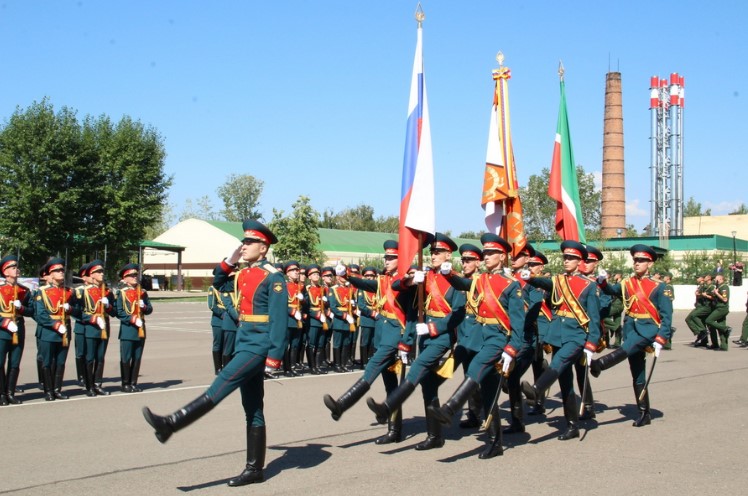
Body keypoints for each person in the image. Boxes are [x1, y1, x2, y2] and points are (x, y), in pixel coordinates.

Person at [143, 219, 288, 487]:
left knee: (219, 386)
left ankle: (171, 423)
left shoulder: (274, 277)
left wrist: (274, 357)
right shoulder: (243, 273)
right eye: (243, 242)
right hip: (244, 339)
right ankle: (254, 469)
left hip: (258, 345)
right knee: (253, 408)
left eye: (249, 243)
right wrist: (229, 261)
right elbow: (218, 281)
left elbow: (280, 320)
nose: (243, 246)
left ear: (263, 248)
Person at [365, 233, 466, 451]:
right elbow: (396, 287)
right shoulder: (426, 275)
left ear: (449, 254)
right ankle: (435, 436)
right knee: (428, 385)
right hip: (425, 337)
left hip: (442, 336)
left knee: (419, 367)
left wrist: (433, 327)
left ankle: (387, 407)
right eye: (432, 252)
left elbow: (458, 314)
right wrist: (411, 280)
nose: (434, 255)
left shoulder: (455, 281)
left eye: (438, 252)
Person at [428, 234, 525, 459]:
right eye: (485, 253)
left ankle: (449, 409)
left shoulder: (512, 285)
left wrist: (512, 349)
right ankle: (495, 442)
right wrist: (447, 273)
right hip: (481, 337)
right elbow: (464, 283)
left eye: (491, 253)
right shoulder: (481, 280)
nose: (487, 256)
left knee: (475, 369)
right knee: (490, 392)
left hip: (498, 338)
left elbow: (518, 324)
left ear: (502, 256)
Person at [322, 240, 417, 445]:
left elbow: (411, 315)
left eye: (392, 257)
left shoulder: (407, 283)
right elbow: (367, 284)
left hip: (395, 334)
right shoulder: (384, 280)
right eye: (386, 257)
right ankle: (395, 430)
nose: (387, 260)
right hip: (382, 332)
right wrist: (347, 276)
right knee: (390, 383)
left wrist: (407, 342)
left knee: (373, 366)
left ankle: (341, 405)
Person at [520, 241, 601, 440]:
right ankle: (572, 425)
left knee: (558, 363)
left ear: (580, 261)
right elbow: (543, 283)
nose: (567, 261)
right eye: (565, 257)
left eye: (571, 258)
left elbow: (595, 318)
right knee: (565, 383)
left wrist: (592, 343)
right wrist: (529, 277)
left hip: (576, 335)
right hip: (558, 335)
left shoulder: (589, 286)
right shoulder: (558, 280)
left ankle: (537, 389)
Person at [590, 244, 673, 427]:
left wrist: (661, 338)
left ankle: (599, 364)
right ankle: (644, 412)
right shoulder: (628, 282)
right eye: (635, 260)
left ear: (650, 264)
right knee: (637, 373)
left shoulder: (660, 287)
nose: (637, 263)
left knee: (627, 348)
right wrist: (603, 282)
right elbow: (612, 291)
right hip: (631, 327)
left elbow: (667, 316)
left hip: (648, 329)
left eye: (641, 260)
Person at [503, 243, 544, 434]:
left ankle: (519, 419)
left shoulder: (532, 282)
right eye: (513, 255)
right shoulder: (506, 278)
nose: (514, 258)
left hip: (525, 335)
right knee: (506, 377)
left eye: (519, 255)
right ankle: (517, 418)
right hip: (506, 334)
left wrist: (518, 322)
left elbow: (535, 307)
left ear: (527, 259)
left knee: (512, 375)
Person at [454, 243, 486, 428]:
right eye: (463, 260)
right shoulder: (459, 282)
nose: (464, 264)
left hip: (480, 335)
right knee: (468, 376)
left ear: (478, 262)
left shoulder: (483, 282)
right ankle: (474, 414)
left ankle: (489, 413)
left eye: (469, 260)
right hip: (464, 335)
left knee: (483, 377)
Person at [34, 258, 74, 401]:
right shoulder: (42, 292)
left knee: (60, 361)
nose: (61, 272)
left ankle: (57, 389)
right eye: (57, 270)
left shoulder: (68, 291)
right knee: (47, 361)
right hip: (49, 331)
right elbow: (40, 314)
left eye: (62, 270)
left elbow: (78, 311)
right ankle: (49, 390)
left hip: (65, 330)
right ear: (50, 274)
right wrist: (55, 325)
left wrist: (71, 309)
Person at [0, 255, 34, 405]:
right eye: (12, 267)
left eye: (16, 267)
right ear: (5, 272)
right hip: (2, 330)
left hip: (18, 328)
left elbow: (32, 310)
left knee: (15, 362)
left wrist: (21, 307)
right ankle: (1, 394)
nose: (16, 269)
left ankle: (10, 392)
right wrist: (4, 322)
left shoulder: (24, 290)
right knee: (0, 362)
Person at [115, 263, 153, 392]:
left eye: (136, 275)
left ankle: (133, 382)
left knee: (137, 357)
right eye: (131, 275)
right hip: (128, 329)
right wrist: (131, 319)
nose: (134, 277)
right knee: (126, 357)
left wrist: (144, 307)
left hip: (141, 329)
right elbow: (119, 312)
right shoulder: (122, 293)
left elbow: (150, 309)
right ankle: (125, 383)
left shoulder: (142, 292)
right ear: (125, 278)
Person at [81, 260, 115, 396]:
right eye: (98, 272)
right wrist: (92, 319)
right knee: (90, 358)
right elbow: (78, 312)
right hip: (91, 327)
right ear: (92, 275)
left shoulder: (107, 292)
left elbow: (114, 312)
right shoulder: (84, 292)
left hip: (104, 327)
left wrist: (108, 306)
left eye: (102, 271)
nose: (101, 274)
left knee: (100, 357)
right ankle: (89, 386)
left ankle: (97, 384)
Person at [328, 266, 357, 373]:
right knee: (337, 343)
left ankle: (344, 364)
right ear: (338, 277)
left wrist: (354, 306)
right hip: (339, 321)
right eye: (342, 276)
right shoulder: (333, 289)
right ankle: (337, 364)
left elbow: (352, 304)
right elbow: (333, 307)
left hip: (349, 321)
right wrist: (345, 316)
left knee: (346, 343)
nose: (345, 278)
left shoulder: (349, 289)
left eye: (345, 276)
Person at [283, 260, 305, 376]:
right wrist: (292, 311)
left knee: (295, 344)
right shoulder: (284, 286)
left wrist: (303, 299)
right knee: (286, 345)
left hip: (298, 319)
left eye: (297, 270)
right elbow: (281, 303)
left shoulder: (300, 286)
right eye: (293, 270)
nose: (296, 272)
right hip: (288, 319)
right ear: (287, 273)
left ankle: (292, 366)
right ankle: (286, 368)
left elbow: (304, 303)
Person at [305, 264, 328, 375]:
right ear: (309, 277)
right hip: (313, 320)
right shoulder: (307, 290)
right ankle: (312, 366)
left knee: (320, 344)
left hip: (322, 320)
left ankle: (318, 366)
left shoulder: (322, 289)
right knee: (312, 344)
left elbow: (327, 305)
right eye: (314, 274)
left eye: (318, 274)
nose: (316, 276)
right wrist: (317, 315)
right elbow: (306, 307)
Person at [355, 266, 379, 369]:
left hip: (377, 319)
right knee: (365, 341)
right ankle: (364, 362)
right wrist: (372, 313)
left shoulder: (377, 289)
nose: (369, 277)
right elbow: (361, 305)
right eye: (367, 276)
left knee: (374, 341)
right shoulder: (362, 289)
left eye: (371, 276)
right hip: (367, 318)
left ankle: (371, 360)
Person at [207, 268, 226, 374]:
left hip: (230, 319)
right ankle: (218, 367)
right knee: (218, 344)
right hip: (218, 320)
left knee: (227, 344)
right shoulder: (213, 288)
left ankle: (225, 364)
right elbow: (211, 305)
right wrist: (222, 313)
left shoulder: (229, 287)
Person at [704, 274, 731, 350]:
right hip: (719, 308)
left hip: (722, 308)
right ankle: (724, 346)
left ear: (720, 279)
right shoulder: (719, 287)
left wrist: (717, 293)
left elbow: (725, 299)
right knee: (720, 327)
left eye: (716, 279)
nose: (714, 280)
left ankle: (726, 328)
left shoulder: (724, 287)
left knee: (708, 320)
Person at [686, 275, 710, 347]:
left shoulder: (704, 286)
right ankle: (702, 338)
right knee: (701, 322)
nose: (697, 279)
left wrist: (698, 295)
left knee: (690, 317)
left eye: (698, 277)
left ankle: (701, 332)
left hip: (703, 306)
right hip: (699, 306)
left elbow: (705, 295)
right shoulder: (700, 286)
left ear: (702, 278)